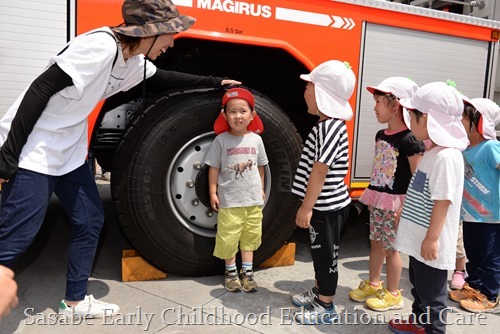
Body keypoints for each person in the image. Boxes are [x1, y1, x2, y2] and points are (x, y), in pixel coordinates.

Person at [0, 0, 240, 319]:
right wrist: (8, 156)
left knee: (90, 221)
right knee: (17, 236)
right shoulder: (99, 46)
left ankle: (74, 302)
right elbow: (39, 91)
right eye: (171, 34)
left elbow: (166, 79)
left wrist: (215, 82)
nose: (172, 42)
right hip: (34, 149)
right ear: (152, 33)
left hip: (68, 152)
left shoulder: (131, 61)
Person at [388, 82, 467, 333]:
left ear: (429, 119)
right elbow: (421, 191)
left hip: (430, 246)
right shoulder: (434, 152)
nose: (409, 119)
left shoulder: (446, 157)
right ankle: (418, 323)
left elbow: (443, 201)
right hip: (420, 241)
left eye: (413, 115)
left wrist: (432, 239)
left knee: (433, 297)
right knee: (419, 288)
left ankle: (433, 329)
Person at [349, 77, 425, 311]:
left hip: (397, 205)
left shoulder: (410, 140)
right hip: (380, 199)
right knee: (375, 243)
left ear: (395, 106)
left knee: (392, 248)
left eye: (379, 102)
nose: (374, 107)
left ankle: (393, 294)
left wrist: (407, 207)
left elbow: (419, 178)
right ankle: (373, 284)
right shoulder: (381, 135)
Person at [290, 60, 355, 325]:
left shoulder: (330, 128)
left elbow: (320, 170)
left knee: (326, 255)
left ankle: (326, 305)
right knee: (319, 253)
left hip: (326, 207)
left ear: (321, 93)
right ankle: (319, 293)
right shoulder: (325, 125)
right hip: (324, 205)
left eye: (309, 85)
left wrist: (307, 207)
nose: (305, 89)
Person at [205, 88, 268, 293]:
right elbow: (213, 168)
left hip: (252, 201)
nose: (238, 116)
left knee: (250, 237)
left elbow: (261, 167)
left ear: (252, 115)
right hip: (230, 201)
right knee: (228, 238)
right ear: (224, 115)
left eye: (243, 111)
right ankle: (231, 272)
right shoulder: (221, 141)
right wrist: (213, 192)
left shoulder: (257, 140)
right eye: (232, 111)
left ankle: (247, 273)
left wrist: (261, 189)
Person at [449, 97, 500, 313]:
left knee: (490, 257)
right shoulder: (465, 149)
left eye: (463, 117)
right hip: (469, 215)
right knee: (474, 255)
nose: (459, 121)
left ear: (479, 122)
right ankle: (475, 287)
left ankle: (490, 295)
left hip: (491, 217)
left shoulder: (491, 147)